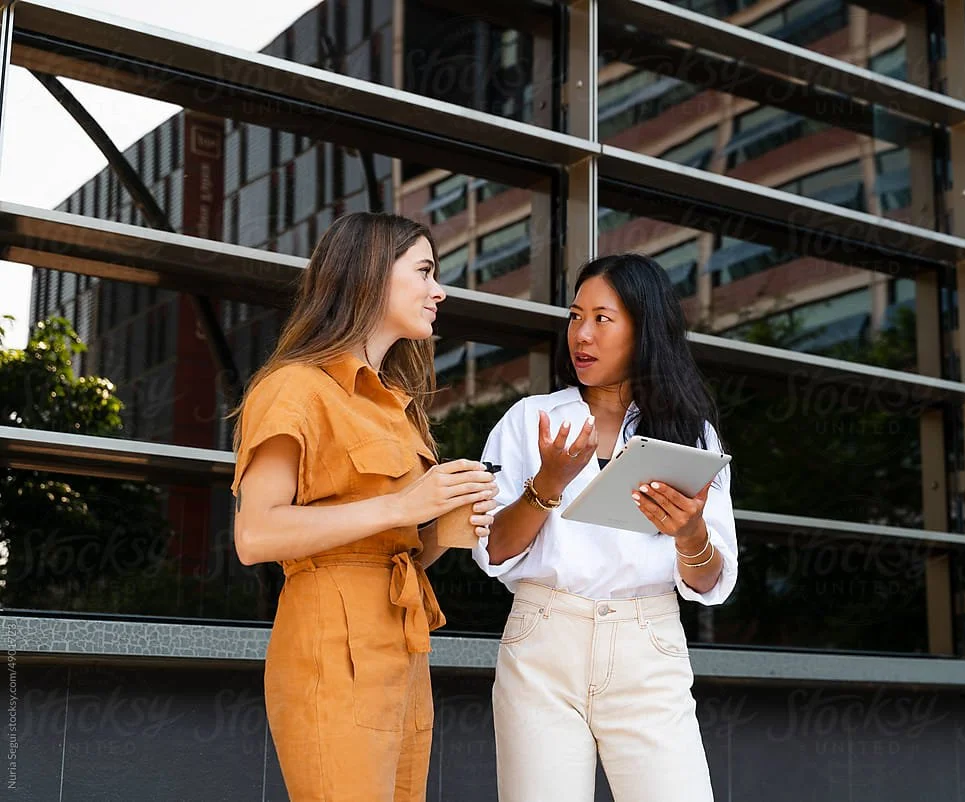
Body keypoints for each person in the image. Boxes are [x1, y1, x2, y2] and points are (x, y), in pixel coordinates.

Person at [230, 212, 499, 802]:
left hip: (402, 643)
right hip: (331, 639)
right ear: (372, 276)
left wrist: (450, 522)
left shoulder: (394, 406)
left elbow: (397, 544)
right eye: (424, 272)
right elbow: (255, 535)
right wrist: (404, 504)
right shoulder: (293, 387)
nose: (440, 290)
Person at [473, 253, 737, 802]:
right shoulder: (532, 419)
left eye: (602, 318)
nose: (582, 334)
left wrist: (690, 537)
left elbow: (712, 582)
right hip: (544, 639)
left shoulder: (692, 434)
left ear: (644, 331)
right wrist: (546, 483)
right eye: (575, 316)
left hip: (648, 647)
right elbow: (493, 550)